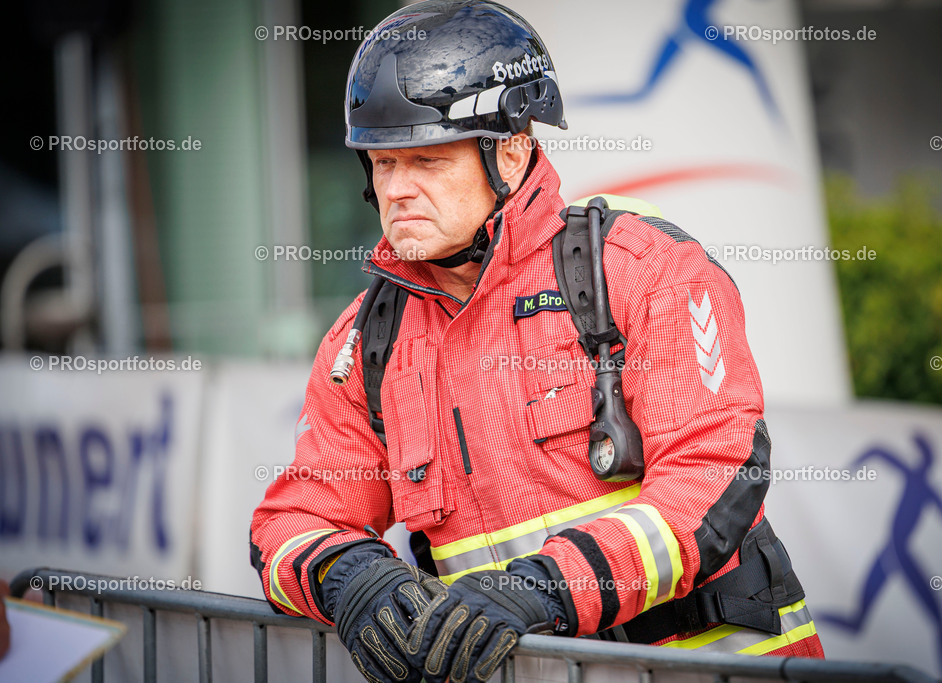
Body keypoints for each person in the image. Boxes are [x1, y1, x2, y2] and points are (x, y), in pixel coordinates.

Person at [250, 2, 824, 681]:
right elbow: (293, 519)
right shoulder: (364, 341)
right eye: (382, 162)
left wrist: (546, 586)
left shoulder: (641, 270)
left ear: (513, 149)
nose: (397, 188)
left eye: (427, 160)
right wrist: (348, 575)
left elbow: (713, 476)